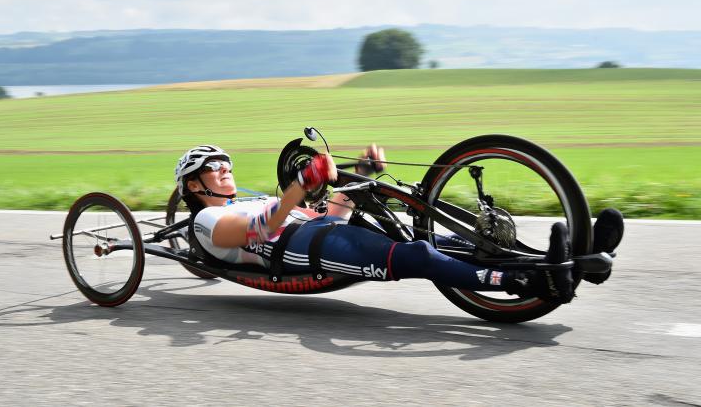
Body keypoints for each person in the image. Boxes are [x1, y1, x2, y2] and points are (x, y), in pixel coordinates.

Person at [174, 144, 623, 303]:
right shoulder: (208, 220)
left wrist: (363, 174)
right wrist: (298, 186)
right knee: (420, 255)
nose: (225, 169)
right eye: (214, 167)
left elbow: (330, 214)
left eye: (226, 163)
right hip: (300, 253)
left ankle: (576, 259)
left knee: (446, 240)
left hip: (323, 234)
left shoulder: (257, 198)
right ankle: (528, 284)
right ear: (194, 185)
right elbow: (258, 233)